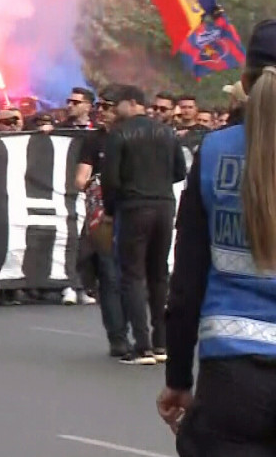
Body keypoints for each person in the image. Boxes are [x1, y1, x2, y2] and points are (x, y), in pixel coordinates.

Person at [158, 21, 276, 452]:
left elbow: (186, 285)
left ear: (244, 83)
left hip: (231, 376)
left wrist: (177, 381)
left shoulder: (212, 152)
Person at [102, 84, 187, 365]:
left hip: (133, 206)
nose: (114, 110)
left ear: (132, 103)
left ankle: (142, 345)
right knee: (159, 274)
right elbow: (179, 172)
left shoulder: (119, 134)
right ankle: (162, 342)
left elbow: (110, 179)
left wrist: (110, 210)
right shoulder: (167, 132)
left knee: (133, 275)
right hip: (164, 205)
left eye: (117, 105)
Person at [75, 92, 127, 356]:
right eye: (100, 107)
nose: (103, 111)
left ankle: (140, 333)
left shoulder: (133, 135)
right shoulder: (95, 140)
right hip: (104, 213)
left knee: (133, 275)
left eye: (109, 106)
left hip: (133, 212)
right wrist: (96, 181)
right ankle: (117, 336)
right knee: (108, 273)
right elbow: (80, 178)